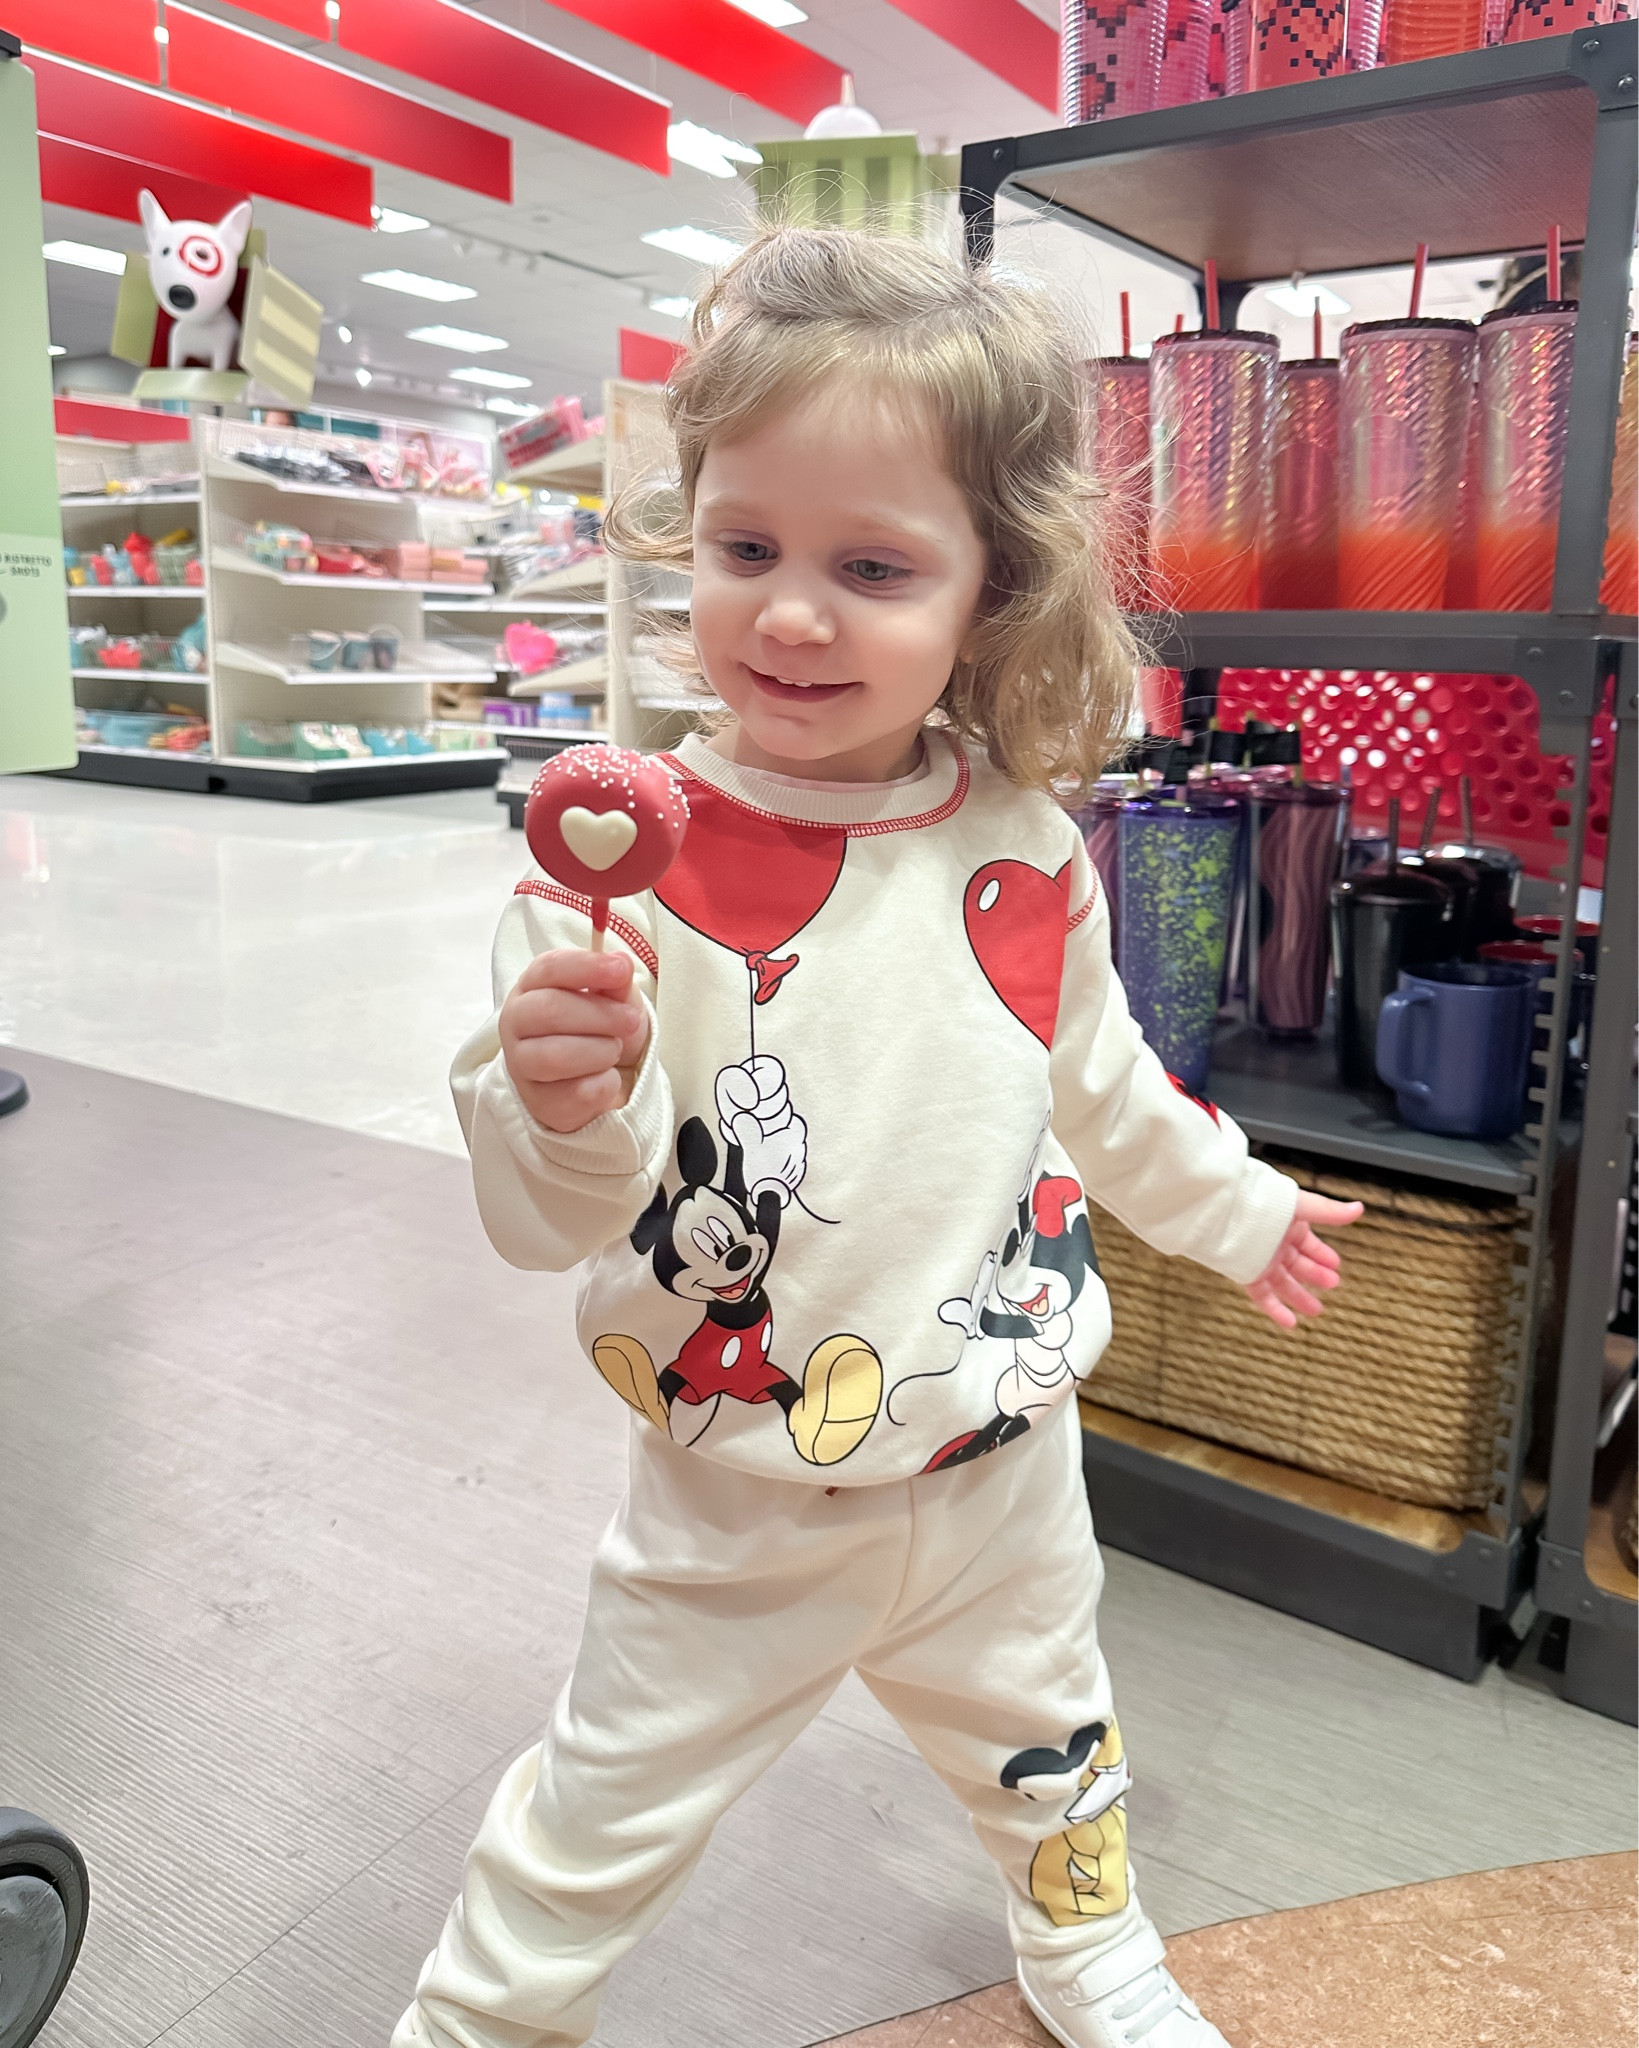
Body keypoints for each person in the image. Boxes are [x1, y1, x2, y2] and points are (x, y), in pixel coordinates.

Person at [394, 225, 1361, 2048]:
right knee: (596, 1818)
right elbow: (551, 1220)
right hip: (733, 1499)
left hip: (1002, 1466)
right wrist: (556, 1098)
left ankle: (1091, 1956)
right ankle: (478, 2022)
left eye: (874, 566)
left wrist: (1238, 1212)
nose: (791, 615)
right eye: (745, 548)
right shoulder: (617, 874)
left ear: (993, 591)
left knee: (1056, 1753)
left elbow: (1104, 1086)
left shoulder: (1024, 847)